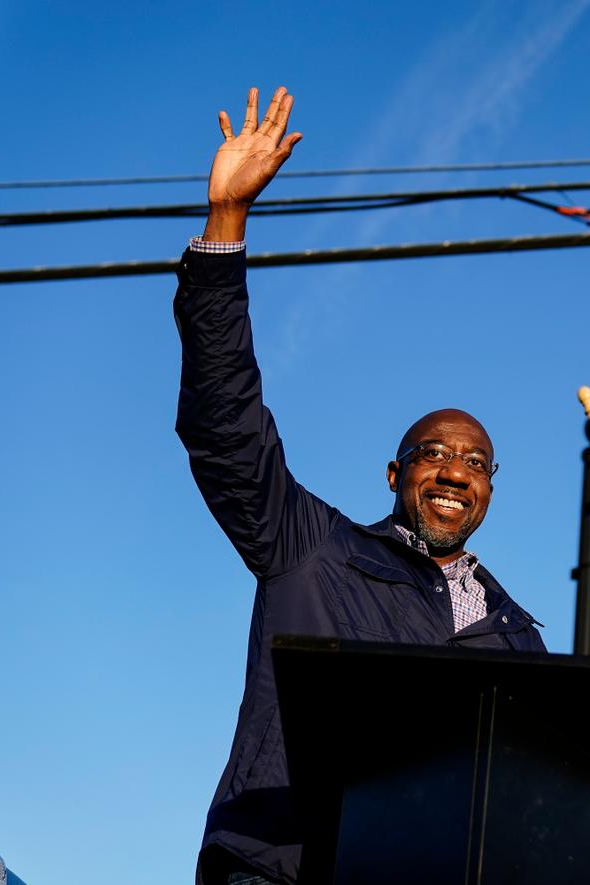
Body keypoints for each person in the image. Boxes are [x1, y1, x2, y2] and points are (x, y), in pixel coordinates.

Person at [175, 87, 547, 885]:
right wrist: (226, 225)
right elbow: (224, 424)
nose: (454, 471)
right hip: (281, 867)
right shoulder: (311, 548)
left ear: (491, 489)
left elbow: (536, 788)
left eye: (475, 462)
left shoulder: (518, 634)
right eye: (432, 453)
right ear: (395, 473)